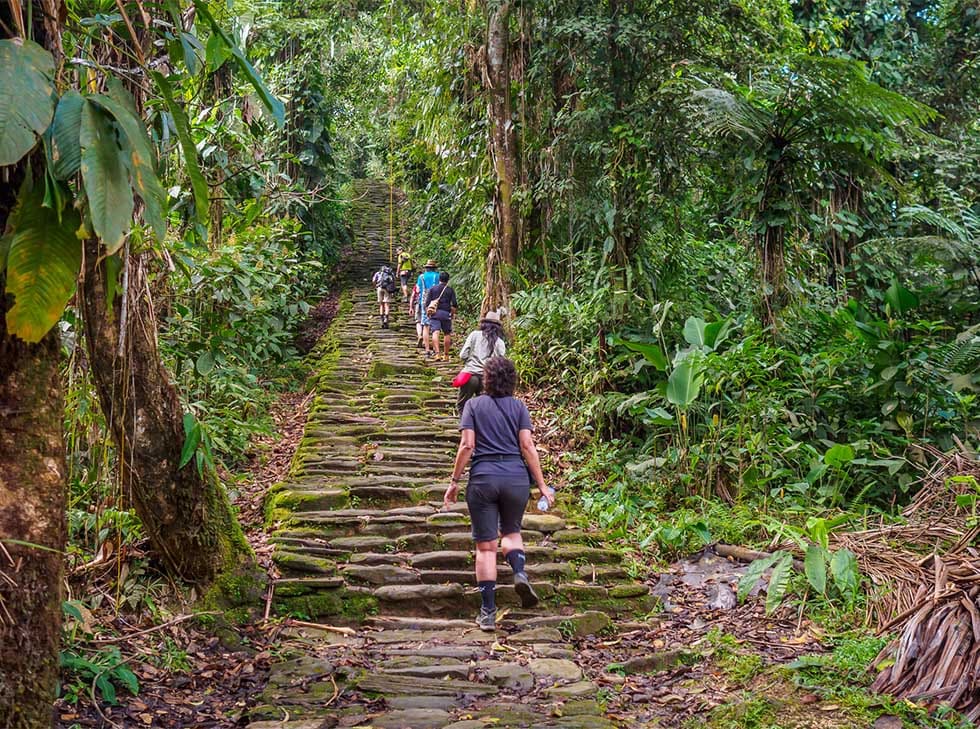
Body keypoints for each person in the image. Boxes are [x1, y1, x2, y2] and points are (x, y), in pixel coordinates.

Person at [443, 357, 555, 631]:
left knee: (486, 546)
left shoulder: (473, 405)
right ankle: (519, 572)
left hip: (483, 479)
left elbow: (467, 446)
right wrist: (541, 484)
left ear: (487, 379)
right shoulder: (518, 407)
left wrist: (454, 481)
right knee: (512, 533)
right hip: (516, 478)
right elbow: (527, 446)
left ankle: (488, 611)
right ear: (512, 380)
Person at [457, 310, 506, 411]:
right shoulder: (500, 342)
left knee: (462, 405)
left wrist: (468, 362)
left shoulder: (474, 335)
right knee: (483, 408)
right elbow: (501, 363)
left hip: (470, 376)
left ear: (484, 323)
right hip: (487, 378)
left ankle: (464, 424)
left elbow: (463, 355)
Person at [424, 271, 458, 361]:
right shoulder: (450, 290)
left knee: (435, 332)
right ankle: (446, 355)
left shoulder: (432, 289)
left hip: (435, 314)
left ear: (439, 279)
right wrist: (453, 313)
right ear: (448, 279)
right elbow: (454, 304)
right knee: (447, 333)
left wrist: (428, 312)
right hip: (446, 313)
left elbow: (427, 303)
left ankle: (437, 353)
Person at [415, 260, 440, 357]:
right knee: (435, 326)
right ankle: (435, 349)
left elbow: (418, 289)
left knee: (425, 326)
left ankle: (427, 350)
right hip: (435, 303)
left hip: (424, 302)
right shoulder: (437, 276)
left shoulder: (421, 277)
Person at [371, 264, 396, 329]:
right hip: (387, 288)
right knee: (387, 305)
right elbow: (393, 282)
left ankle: (382, 320)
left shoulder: (378, 273)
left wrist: (375, 286)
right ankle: (386, 319)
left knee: (381, 304)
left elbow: (373, 280)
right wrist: (393, 291)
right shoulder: (390, 273)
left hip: (379, 287)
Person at [409, 282, 423, 348]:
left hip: (418, 304)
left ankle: (420, 335)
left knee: (418, 321)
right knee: (427, 323)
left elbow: (412, 296)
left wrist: (411, 307)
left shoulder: (417, 285)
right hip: (428, 305)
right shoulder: (432, 283)